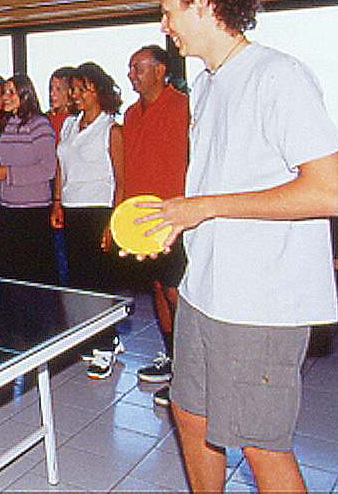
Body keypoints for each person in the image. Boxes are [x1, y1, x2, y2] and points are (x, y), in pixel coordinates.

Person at [146, 0, 338, 493]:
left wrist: (204, 206)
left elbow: (332, 193)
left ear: (203, 4)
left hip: (262, 301)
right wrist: (176, 219)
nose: (165, 26)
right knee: (190, 415)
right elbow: (221, 179)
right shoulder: (206, 84)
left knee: (262, 445)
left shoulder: (279, 75)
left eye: (169, 12)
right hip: (205, 290)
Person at [122, 44, 189, 407]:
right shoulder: (131, 114)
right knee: (158, 290)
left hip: (176, 217)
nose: (131, 75)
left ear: (160, 70)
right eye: (130, 68)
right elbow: (129, 168)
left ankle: (189, 375)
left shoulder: (184, 107)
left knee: (176, 292)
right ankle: (173, 361)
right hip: (141, 220)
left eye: (138, 68)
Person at [52, 61, 125, 378]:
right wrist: (57, 202)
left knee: (100, 282)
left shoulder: (112, 129)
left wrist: (113, 222)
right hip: (71, 209)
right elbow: (61, 167)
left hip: (100, 211)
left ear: (99, 91)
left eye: (83, 89)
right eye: (74, 90)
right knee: (79, 280)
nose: (76, 95)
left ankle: (107, 344)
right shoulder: (69, 125)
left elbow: (122, 180)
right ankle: (92, 337)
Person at [0, 74, 57, 283]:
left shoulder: (39, 124)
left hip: (33, 211)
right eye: (4, 93)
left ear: (25, 95)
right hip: (8, 208)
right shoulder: (6, 124)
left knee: (34, 274)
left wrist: (8, 173)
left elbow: (49, 169)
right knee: (12, 274)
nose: (5, 97)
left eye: (11, 92)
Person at [46, 66, 78, 137]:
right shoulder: (45, 120)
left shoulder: (78, 122)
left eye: (58, 89)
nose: (52, 94)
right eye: (51, 88)